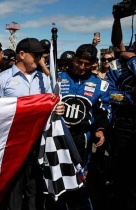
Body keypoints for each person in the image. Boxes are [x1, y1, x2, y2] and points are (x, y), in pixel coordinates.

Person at [0, 38, 57, 210]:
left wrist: (58, 108)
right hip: (12, 143)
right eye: (36, 55)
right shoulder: (1, 79)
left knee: (35, 186)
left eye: (42, 56)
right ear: (21, 55)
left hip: (38, 142)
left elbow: (51, 104)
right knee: (13, 186)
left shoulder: (44, 79)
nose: (40, 60)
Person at [55, 44, 111, 210]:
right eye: (79, 62)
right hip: (57, 137)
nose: (82, 67)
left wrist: (101, 130)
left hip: (82, 140)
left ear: (94, 63)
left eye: (87, 64)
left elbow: (103, 112)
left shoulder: (100, 85)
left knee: (79, 179)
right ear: (74, 59)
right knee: (57, 177)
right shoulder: (57, 79)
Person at [107, 10, 136, 210]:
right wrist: (117, 19)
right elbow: (109, 94)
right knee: (120, 172)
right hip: (123, 124)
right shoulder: (118, 65)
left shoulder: (131, 61)